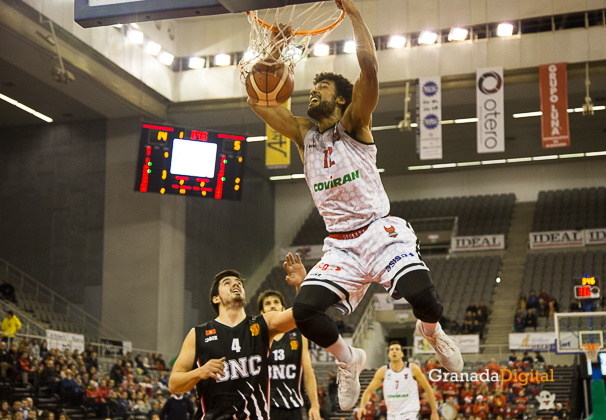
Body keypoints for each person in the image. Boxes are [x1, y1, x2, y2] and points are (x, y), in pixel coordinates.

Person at [247, 0, 463, 409]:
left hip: (379, 232)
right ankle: (350, 361)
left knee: (425, 299)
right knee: (306, 310)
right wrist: (274, 49)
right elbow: (259, 102)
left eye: (321, 89)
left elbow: (370, 71)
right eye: (311, 89)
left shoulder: (355, 124)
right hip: (341, 245)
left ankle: (433, 333)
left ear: (343, 101)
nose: (312, 93)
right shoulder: (302, 134)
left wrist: (356, 17)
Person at [168, 260, 301, 420]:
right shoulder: (198, 334)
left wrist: (301, 284)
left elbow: (302, 314)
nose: (235, 284)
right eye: (227, 282)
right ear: (216, 298)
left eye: (238, 282)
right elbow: (174, 385)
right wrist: (199, 372)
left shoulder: (263, 324)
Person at [258, 289, 321, 420]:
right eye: (268, 303)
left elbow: (308, 373)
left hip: (292, 408)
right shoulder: (256, 337)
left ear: (283, 308)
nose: (273, 305)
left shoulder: (298, 334)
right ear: (262, 312)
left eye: (276, 302)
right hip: (265, 408)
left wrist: (315, 405)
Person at [356, 341, 438, 420]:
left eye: (397, 349)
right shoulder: (383, 371)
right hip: (392, 415)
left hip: (410, 413)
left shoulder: (412, 369)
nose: (394, 351)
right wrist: (362, 406)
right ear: (389, 354)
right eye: (391, 350)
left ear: (402, 354)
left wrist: (434, 411)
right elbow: (368, 391)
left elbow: (428, 389)